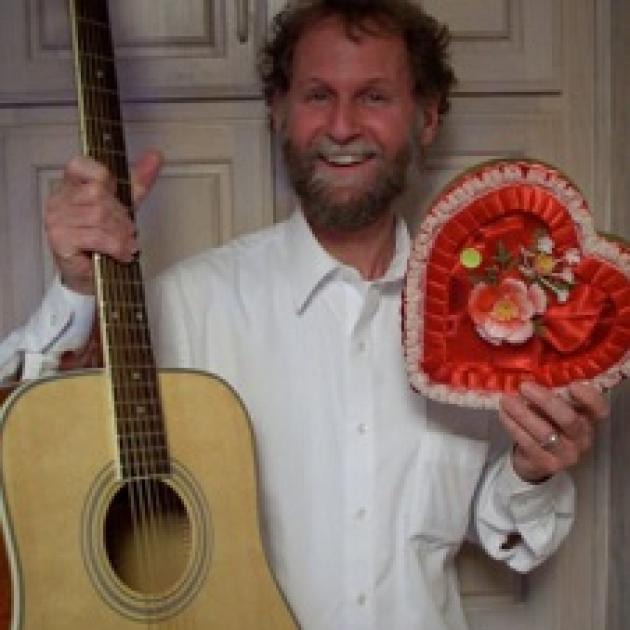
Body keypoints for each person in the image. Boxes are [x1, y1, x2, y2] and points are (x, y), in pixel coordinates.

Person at [0, 1, 609, 628]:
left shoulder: (486, 323)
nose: (342, 126)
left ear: (427, 118)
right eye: (318, 95)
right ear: (279, 111)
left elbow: (505, 532)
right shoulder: (184, 305)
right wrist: (77, 287)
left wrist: (531, 472)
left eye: (374, 96)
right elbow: (29, 463)